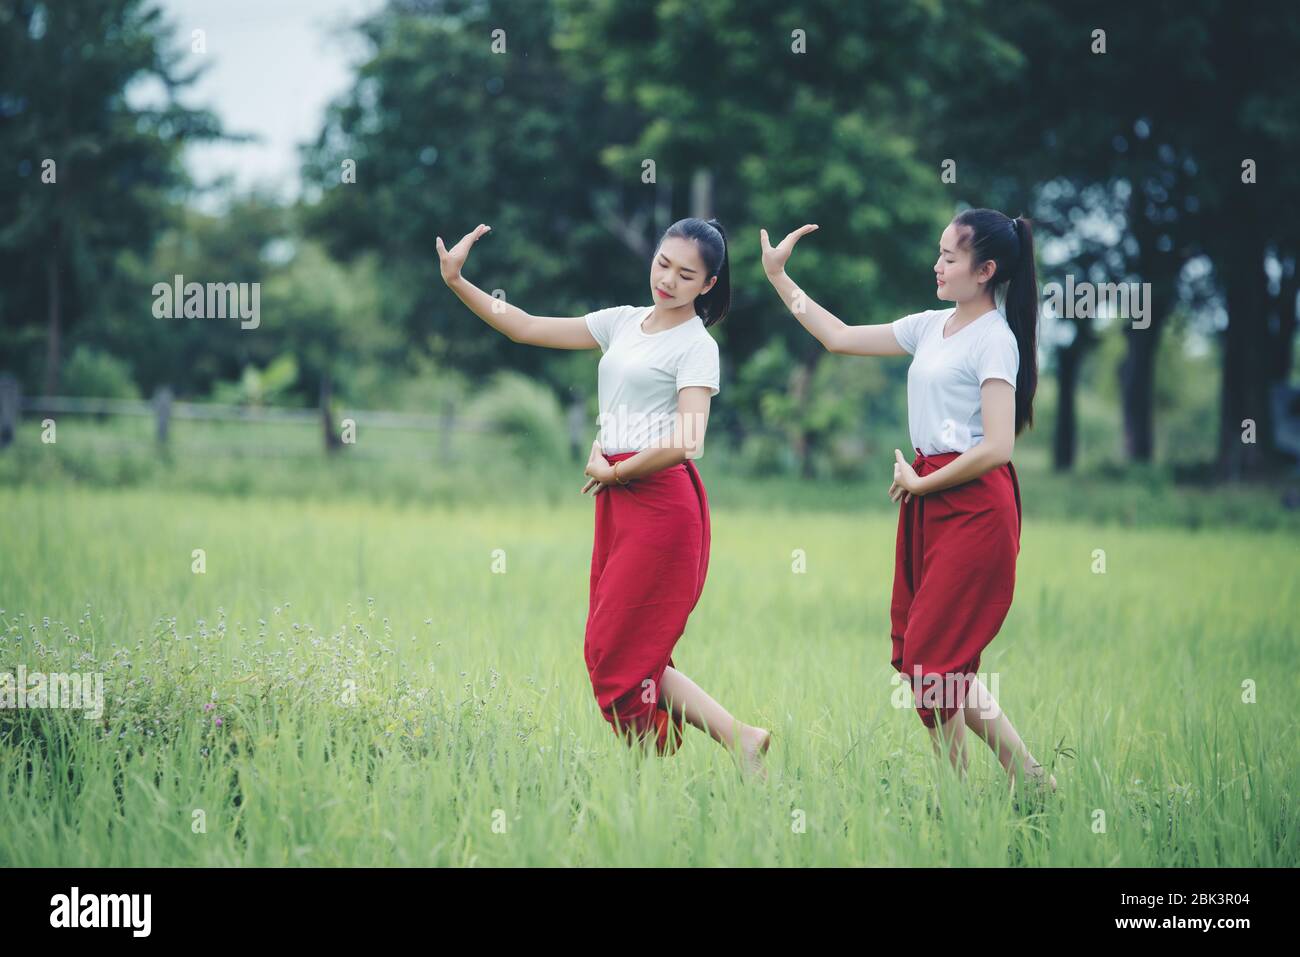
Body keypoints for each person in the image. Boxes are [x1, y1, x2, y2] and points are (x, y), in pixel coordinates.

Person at [438, 216, 771, 778]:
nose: (667, 280)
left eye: (686, 274)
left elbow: (690, 439)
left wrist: (617, 473)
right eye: (663, 263)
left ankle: (654, 779)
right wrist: (457, 282)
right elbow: (523, 327)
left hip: (661, 503)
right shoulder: (622, 322)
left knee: (617, 653)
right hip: (617, 499)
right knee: (613, 651)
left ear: (708, 285)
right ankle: (738, 740)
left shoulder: (696, 347)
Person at [758, 208, 1057, 795]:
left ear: (986, 269)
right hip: (929, 500)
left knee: (932, 656)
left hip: (972, 505)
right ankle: (1021, 782)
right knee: (927, 656)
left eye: (950, 256)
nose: (937, 265)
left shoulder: (995, 340)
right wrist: (778, 278)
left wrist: (924, 485)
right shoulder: (932, 327)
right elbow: (839, 337)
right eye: (939, 252)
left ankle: (974, 792)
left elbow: (998, 446)